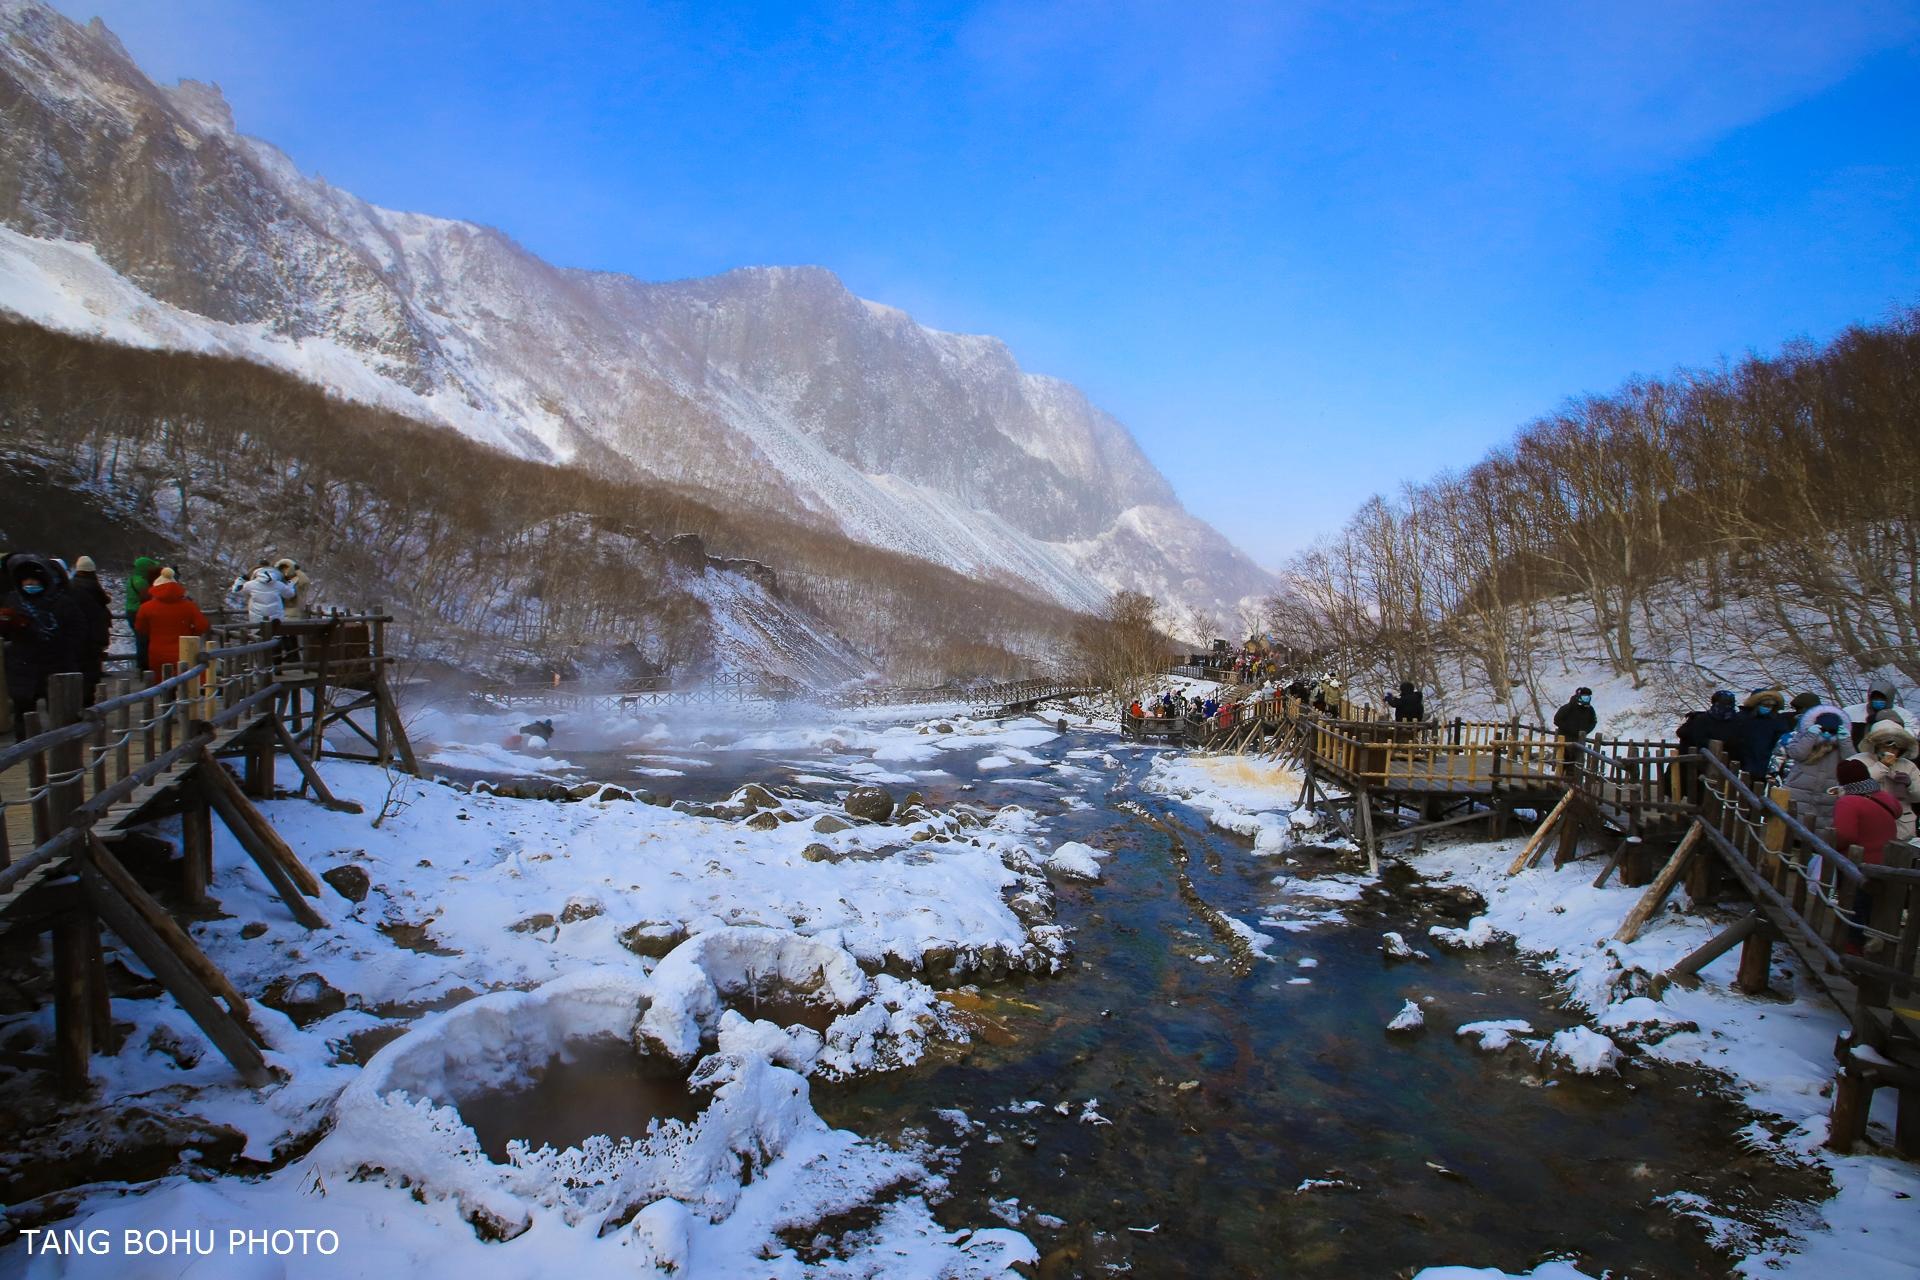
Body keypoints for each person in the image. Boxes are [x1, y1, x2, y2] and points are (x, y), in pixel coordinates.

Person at [0, 554, 88, 740]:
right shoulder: (13, 601)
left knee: (59, 710)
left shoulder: (61, 602)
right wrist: (11, 625)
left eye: (34, 581)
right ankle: (24, 746)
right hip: (22, 665)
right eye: (26, 581)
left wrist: (62, 648)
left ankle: (63, 743)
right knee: (24, 712)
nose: (30, 584)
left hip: (55, 663)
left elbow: (78, 631)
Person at [1783, 706, 1849, 836]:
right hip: (1799, 790)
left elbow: (1851, 761)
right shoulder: (1802, 737)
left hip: (1826, 797)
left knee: (1818, 832)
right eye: (1823, 729)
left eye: (1831, 731)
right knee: (1791, 829)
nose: (1827, 733)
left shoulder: (1840, 745)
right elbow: (1797, 754)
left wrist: (1845, 741)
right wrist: (1810, 736)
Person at [1850, 721, 1920, 843]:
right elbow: (1852, 788)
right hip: (1869, 828)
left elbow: (1917, 797)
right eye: (1886, 745)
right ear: (1876, 745)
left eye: (1895, 747)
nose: (1891, 750)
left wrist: (1910, 785)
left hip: (1901, 831)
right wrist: (1882, 766)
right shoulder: (1857, 761)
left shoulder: (1909, 766)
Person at [134, 574, 210, 681]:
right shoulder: (189, 606)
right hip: (185, 650)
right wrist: (191, 634)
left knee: (163, 685)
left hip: (157, 651)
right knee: (188, 683)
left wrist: (154, 633)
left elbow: (140, 628)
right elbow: (202, 625)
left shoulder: (145, 607)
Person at [1831, 757, 1903, 865]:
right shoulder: (1886, 797)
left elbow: (1844, 836)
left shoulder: (1848, 802)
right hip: (1886, 862)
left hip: (1859, 863)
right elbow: (1898, 811)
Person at [67, 554, 112, 702]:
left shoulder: (70, 587)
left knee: (78, 671)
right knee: (90, 673)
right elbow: (98, 614)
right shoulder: (94, 588)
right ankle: (87, 703)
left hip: (75, 638)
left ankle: (77, 702)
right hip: (92, 637)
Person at [1730, 688, 1792, 780]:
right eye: (1765, 705)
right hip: (1742, 764)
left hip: (1765, 765)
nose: (1768, 708)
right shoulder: (1741, 718)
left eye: (1771, 706)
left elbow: (1781, 744)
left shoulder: (1778, 721)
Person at [1846, 680, 1914, 749]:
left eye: (1882, 698)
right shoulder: (1850, 712)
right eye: (1874, 697)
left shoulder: (1905, 715)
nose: (1878, 700)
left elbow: (1910, 737)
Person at [228, 562, 296, 624]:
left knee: (258, 636)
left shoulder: (250, 585)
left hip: (257, 621)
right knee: (276, 635)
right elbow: (290, 594)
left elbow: (236, 591)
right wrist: (289, 583)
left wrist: (242, 579)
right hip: (276, 621)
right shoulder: (279, 585)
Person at [124, 554, 159, 671]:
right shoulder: (141, 582)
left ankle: (142, 665)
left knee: (141, 639)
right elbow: (150, 596)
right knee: (143, 640)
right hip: (138, 613)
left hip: (131, 611)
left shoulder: (132, 579)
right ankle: (144, 666)